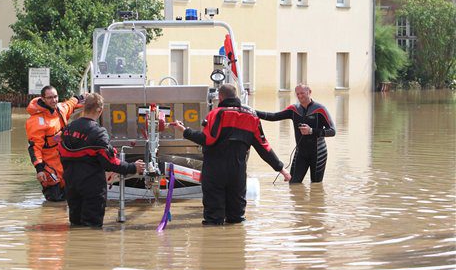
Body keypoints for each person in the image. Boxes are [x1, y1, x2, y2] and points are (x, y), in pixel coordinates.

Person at [170, 84, 291, 226]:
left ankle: (214, 243)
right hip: (237, 172)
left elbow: (207, 139)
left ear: (220, 97)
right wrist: (281, 169)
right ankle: (237, 245)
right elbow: (263, 147)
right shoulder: (252, 116)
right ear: (236, 96)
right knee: (237, 217)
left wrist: (185, 130)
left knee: (213, 219)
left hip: (215, 170)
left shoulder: (216, 113)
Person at [58, 93, 145, 227]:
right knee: (91, 227)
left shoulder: (68, 129)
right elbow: (110, 162)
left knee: (75, 224)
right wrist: (133, 167)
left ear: (83, 107)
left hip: (71, 184)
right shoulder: (98, 132)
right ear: (100, 110)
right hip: (91, 187)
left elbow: (61, 153)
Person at [256, 83, 336, 184]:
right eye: (297, 94)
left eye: (302, 93)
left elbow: (332, 131)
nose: (299, 96)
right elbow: (274, 116)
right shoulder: (294, 109)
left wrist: (311, 131)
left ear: (309, 92)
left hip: (318, 153)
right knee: (293, 184)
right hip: (301, 152)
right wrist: (253, 112)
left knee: (316, 186)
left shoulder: (320, 109)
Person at [26, 85, 84, 202]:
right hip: (48, 166)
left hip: (63, 161)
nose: (54, 100)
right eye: (50, 98)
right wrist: (39, 169)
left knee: (67, 198)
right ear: (43, 99)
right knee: (54, 199)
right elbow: (34, 147)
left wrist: (80, 97)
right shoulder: (36, 121)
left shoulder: (60, 109)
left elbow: (70, 104)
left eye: (56, 97)